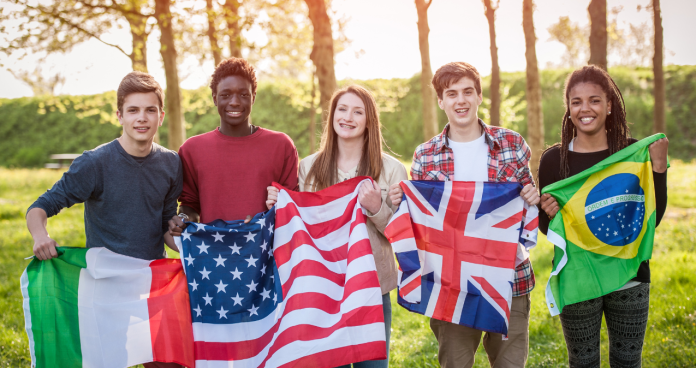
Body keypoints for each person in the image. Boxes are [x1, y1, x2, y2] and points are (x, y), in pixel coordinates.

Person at [25, 71, 184, 368]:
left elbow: (166, 224)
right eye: (133, 110)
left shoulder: (171, 163)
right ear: (119, 115)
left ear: (161, 116)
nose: (142, 118)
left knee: (167, 361)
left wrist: (187, 245)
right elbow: (40, 206)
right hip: (106, 284)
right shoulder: (95, 164)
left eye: (150, 110)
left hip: (150, 282)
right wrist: (39, 235)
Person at [388, 62, 540, 368]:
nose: (461, 100)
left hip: (508, 276)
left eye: (468, 92)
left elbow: (526, 201)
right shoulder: (426, 155)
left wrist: (531, 196)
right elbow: (423, 226)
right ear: (441, 102)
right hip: (452, 284)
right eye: (452, 93)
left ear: (479, 96)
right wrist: (401, 201)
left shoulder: (512, 144)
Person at [266, 85, 408, 368]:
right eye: (342, 109)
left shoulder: (392, 170)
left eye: (358, 111)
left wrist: (377, 209)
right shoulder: (308, 168)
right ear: (332, 116)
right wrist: (278, 205)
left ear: (370, 120)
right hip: (323, 287)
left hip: (371, 286)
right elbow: (299, 226)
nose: (348, 117)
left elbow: (402, 235)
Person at [537, 65, 668, 368]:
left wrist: (658, 171)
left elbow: (650, 218)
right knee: (582, 363)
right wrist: (549, 214)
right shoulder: (555, 160)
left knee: (628, 362)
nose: (586, 109)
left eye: (595, 100)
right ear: (568, 108)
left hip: (629, 275)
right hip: (578, 277)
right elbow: (547, 228)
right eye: (576, 101)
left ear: (610, 106)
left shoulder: (632, 153)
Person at [168, 57, 299, 234]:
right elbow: (190, 206)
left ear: (253, 98)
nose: (235, 102)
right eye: (226, 95)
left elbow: (293, 206)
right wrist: (182, 220)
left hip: (265, 255)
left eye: (243, 95)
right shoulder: (192, 149)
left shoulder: (281, 145)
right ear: (215, 98)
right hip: (214, 254)